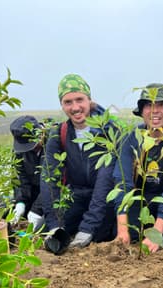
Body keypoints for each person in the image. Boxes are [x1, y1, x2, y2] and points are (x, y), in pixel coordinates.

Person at [113, 83, 163, 253]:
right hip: (141, 197)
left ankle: (157, 228)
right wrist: (122, 230)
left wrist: (157, 232)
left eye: (161, 105)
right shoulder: (131, 139)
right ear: (141, 111)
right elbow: (122, 182)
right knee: (125, 233)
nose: (155, 110)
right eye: (149, 105)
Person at [41, 73, 116, 254]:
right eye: (68, 102)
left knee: (100, 234)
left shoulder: (109, 132)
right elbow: (49, 178)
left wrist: (88, 227)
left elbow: (105, 182)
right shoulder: (59, 133)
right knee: (55, 231)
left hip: (104, 200)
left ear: (89, 100)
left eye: (79, 100)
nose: (75, 107)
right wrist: (53, 224)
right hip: (76, 195)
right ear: (62, 105)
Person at [10, 115, 46, 231]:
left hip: (52, 196)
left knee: (44, 226)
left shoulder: (54, 142)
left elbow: (55, 181)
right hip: (34, 193)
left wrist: (37, 210)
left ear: (40, 133)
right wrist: (20, 202)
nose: (30, 149)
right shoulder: (19, 150)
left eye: (32, 145)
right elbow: (21, 177)